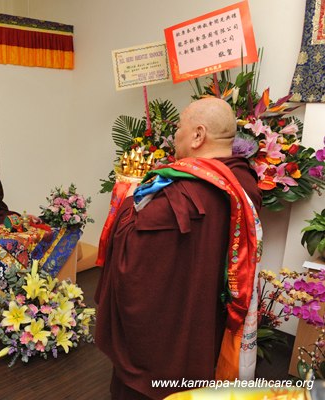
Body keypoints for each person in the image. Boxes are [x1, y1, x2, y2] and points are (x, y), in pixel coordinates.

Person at [95, 98, 262, 399]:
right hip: (209, 318)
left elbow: (132, 258)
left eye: (180, 128)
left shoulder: (183, 193)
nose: (175, 136)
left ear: (198, 135)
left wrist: (126, 197)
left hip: (165, 336)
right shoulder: (243, 182)